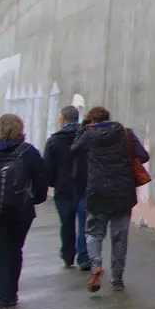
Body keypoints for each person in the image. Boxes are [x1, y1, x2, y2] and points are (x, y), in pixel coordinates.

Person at [71, 107, 148, 294]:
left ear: (91, 121)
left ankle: (96, 264)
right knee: (120, 237)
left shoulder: (89, 135)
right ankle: (117, 279)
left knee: (94, 233)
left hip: (97, 192)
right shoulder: (125, 132)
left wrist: (82, 130)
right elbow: (144, 156)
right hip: (123, 192)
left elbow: (74, 150)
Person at [0, 113, 49, 309]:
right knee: (14, 249)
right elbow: (40, 184)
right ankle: (10, 294)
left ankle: (2, 298)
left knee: (1, 250)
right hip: (20, 211)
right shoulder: (29, 152)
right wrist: (33, 200)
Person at [43, 105, 90, 270]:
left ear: (62, 120)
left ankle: (68, 255)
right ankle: (84, 258)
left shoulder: (54, 141)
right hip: (84, 185)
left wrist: (52, 183)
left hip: (63, 187)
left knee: (66, 222)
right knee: (85, 223)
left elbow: (47, 167)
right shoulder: (87, 137)